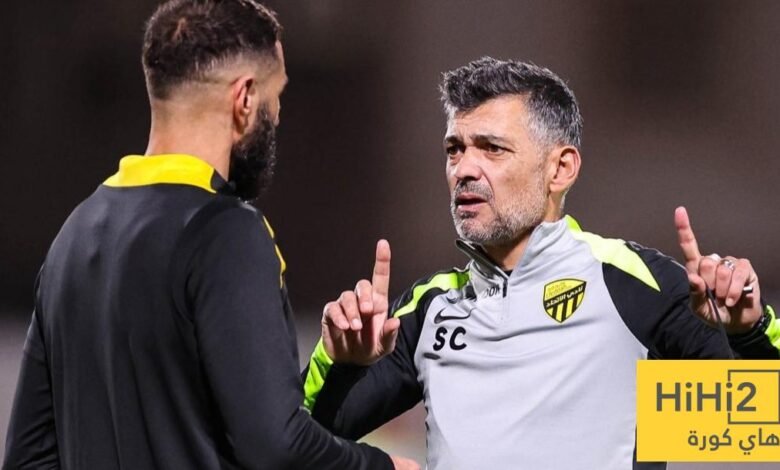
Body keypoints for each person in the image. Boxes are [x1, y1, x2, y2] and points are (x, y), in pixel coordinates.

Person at [302, 58, 779, 470]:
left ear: (560, 169)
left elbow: (764, 424)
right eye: (454, 149)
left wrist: (748, 331)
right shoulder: (431, 308)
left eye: (492, 148)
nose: (464, 169)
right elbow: (295, 441)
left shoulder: (630, 284)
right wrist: (341, 363)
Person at [2, 1, 419, 469]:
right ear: (245, 98)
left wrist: (340, 371)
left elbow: (26, 459)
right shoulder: (227, 234)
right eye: (277, 93)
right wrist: (386, 467)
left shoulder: (72, 237)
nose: (278, 113)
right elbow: (273, 446)